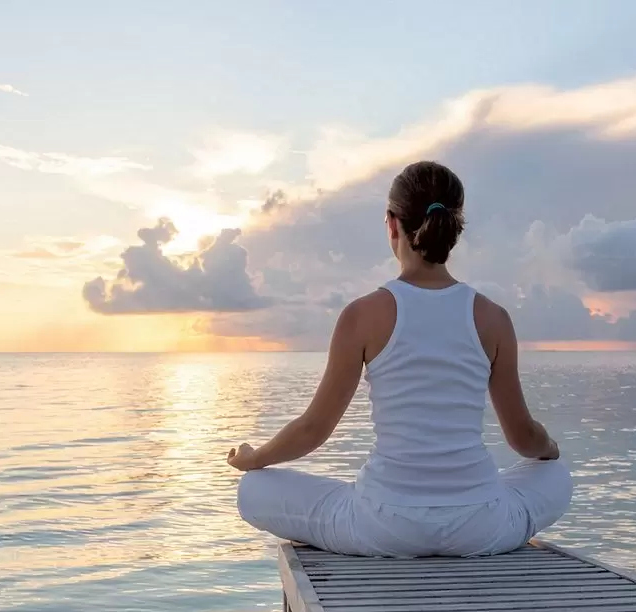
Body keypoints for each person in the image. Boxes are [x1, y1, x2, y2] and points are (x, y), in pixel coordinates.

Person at [227, 160, 572, 558]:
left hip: (383, 525)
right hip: (480, 524)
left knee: (253, 489)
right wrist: (550, 448)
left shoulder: (363, 315)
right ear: (456, 229)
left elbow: (313, 429)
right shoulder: (493, 317)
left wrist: (256, 458)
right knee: (555, 476)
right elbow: (523, 438)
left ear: (392, 224)